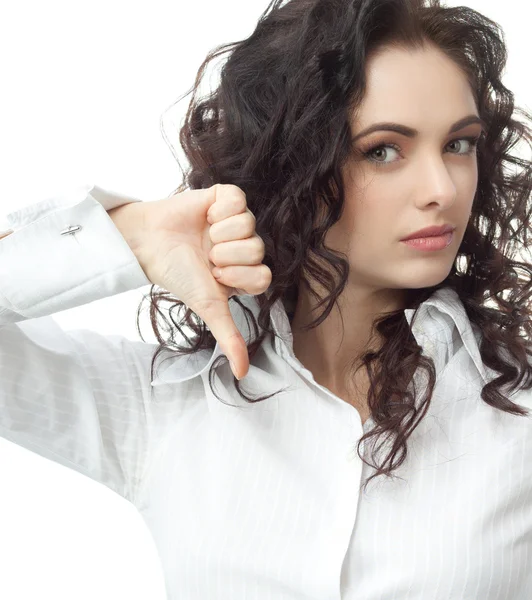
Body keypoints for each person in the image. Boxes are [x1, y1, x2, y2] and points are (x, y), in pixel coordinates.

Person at [2, 0, 532, 598]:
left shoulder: (518, 414)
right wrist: (128, 236)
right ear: (292, 163)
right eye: (382, 150)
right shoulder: (166, 409)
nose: (442, 189)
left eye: (459, 145)